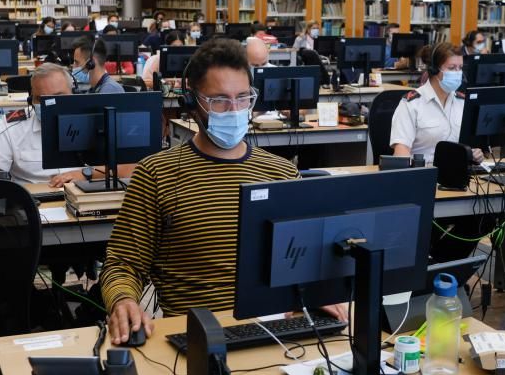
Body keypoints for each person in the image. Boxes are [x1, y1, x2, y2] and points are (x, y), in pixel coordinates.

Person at [99, 39, 348, 345]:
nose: (233, 110)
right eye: (219, 101)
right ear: (192, 102)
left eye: (242, 98)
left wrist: (317, 290)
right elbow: (123, 262)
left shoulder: (281, 173)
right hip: (199, 338)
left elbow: (306, 259)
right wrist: (123, 299)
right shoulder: (157, 173)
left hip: (279, 333)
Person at [0, 63, 82, 185]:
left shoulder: (94, 118)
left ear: (74, 94)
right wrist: (9, 193)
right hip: (35, 200)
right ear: (31, 100)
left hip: (86, 198)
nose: (50, 104)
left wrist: (83, 175)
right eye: (41, 98)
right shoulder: (14, 125)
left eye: (58, 96)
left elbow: (103, 166)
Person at [390, 42, 483, 165]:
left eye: (460, 68)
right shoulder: (411, 104)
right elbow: (401, 152)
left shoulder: (463, 102)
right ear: (434, 70)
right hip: (423, 175)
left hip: (458, 176)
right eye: (451, 68)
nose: (457, 73)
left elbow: (468, 144)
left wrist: (474, 153)